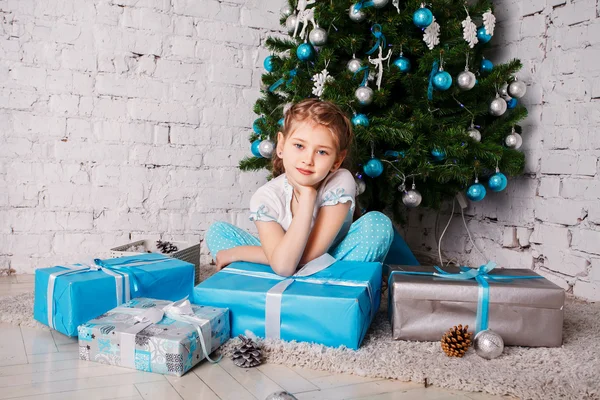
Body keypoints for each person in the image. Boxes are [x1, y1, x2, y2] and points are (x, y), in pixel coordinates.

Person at [205, 99, 394, 276]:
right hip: (284, 262)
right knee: (218, 231)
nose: (308, 160)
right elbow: (285, 265)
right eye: (299, 146)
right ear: (281, 145)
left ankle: (307, 289)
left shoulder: (340, 180)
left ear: (337, 160)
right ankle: (292, 287)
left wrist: (240, 253)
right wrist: (278, 259)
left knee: (378, 224)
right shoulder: (266, 197)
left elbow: (304, 259)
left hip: (333, 260)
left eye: (321, 152)